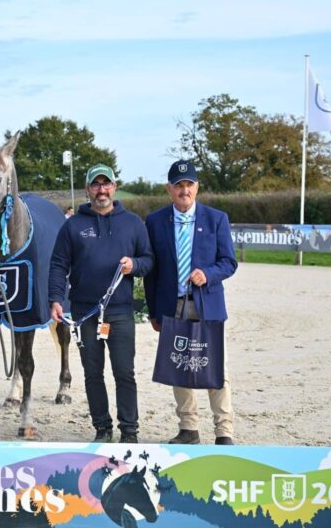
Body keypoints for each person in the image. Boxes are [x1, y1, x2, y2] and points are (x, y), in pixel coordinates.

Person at [49, 164, 153, 443]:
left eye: (106, 184)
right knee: (93, 373)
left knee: (124, 372)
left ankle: (129, 431)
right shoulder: (73, 225)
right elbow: (58, 265)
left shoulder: (132, 223)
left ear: (114, 187)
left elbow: (149, 259)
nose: (101, 190)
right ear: (87, 189)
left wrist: (135, 264)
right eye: (96, 184)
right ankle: (102, 427)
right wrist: (56, 299)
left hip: (119, 312)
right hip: (85, 314)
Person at [143, 160, 238, 445]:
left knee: (214, 366)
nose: (185, 190)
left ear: (197, 187)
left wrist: (207, 274)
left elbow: (229, 263)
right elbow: (152, 271)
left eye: (189, 185)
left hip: (207, 304)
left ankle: (224, 430)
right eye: (179, 185)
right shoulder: (155, 221)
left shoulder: (216, 218)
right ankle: (188, 428)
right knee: (179, 365)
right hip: (172, 306)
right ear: (169, 189)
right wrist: (153, 311)